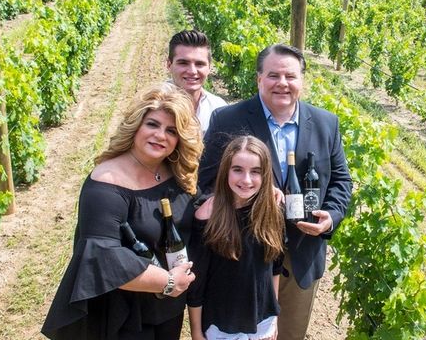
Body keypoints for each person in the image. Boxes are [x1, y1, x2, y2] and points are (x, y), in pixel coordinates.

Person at [198, 44, 353, 340]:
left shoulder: (326, 123)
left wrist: (330, 217)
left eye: (290, 76)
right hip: (243, 258)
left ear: (302, 81)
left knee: (290, 334)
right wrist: (245, 195)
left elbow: (341, 181)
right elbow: (206, 185)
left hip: (300, 256)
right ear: (258, 79)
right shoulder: (228, 120)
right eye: (273, 75)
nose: (282, 83)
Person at [42, 83, 203, 340]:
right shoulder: (106, 183)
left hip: (167, 310)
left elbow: (198, 213)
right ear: (136, 126)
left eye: (171, 131)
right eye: (152, 124)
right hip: (124, 317)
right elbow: (102, 259)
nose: (160, 135)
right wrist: (169, 283)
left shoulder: (176, 174)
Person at [188, 136, 284, 340]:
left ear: (265, 175)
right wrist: (196, 331)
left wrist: (273, 316)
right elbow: (196, 284)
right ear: (225, 171)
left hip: (262, 323)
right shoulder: (208, 216)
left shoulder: (273, 212)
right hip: (222, 326)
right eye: (238, 169)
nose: (246, 180)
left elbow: (275, 266)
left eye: (255, 171)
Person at [166, 29, 227, 134]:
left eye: (199, 64)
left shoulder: (219, 108)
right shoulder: (151, 105)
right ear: (169, 65)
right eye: (183, 63)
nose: (192, 71)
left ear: (209, 68)